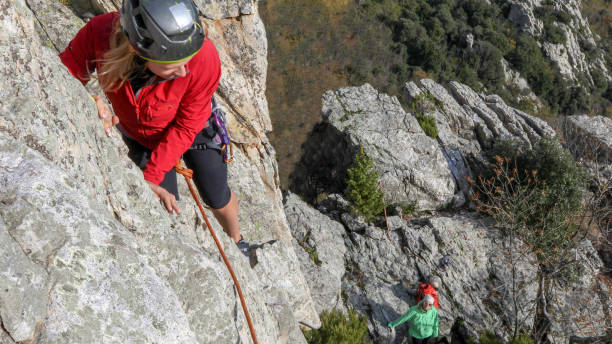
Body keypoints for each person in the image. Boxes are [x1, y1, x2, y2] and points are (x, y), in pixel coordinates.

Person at [59, 0, 250, 256]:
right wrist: (92, 101)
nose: (184, 71)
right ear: (138, 51)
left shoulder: (203, 57)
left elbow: (186, 125)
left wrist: (151, 175)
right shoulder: (99, 33)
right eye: (173, 67)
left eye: (187, 61)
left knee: (217, 195)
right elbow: (61, 75)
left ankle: (238, 240)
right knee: (165, 212)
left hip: (195, 127)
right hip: (140, 135)